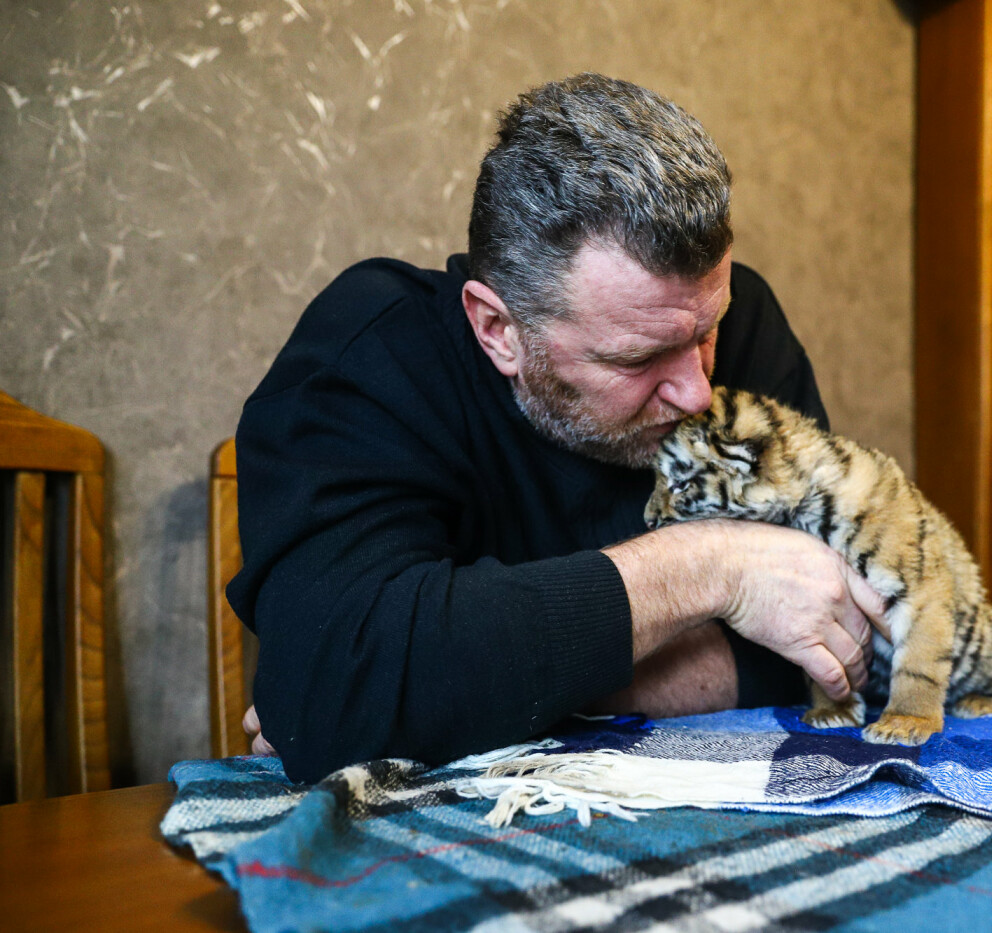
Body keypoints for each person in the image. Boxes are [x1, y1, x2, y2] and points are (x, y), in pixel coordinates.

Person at [231, 73, 883, 783]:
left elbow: (847, 647)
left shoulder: (742, 316)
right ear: (498, 329)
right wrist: (709, 567)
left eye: (706, 333)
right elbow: (335, 692)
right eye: (638, 357)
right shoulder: (373, 350)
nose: (698, 391)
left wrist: (456, 688)